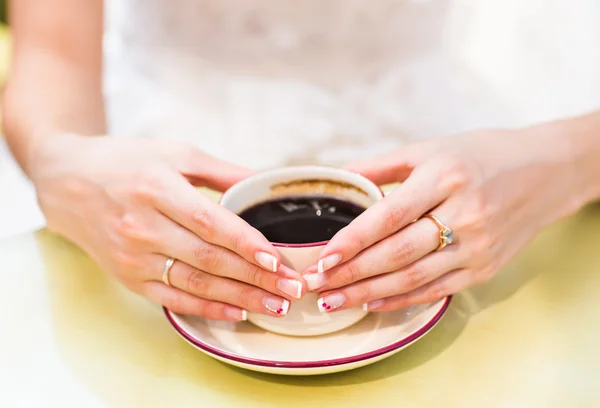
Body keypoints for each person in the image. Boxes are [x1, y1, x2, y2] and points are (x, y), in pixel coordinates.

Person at [3, 0, 600, 321]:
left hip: (459, 194)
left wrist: (564, 164)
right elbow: (54, 59)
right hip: (150, 198)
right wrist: (63, 161)